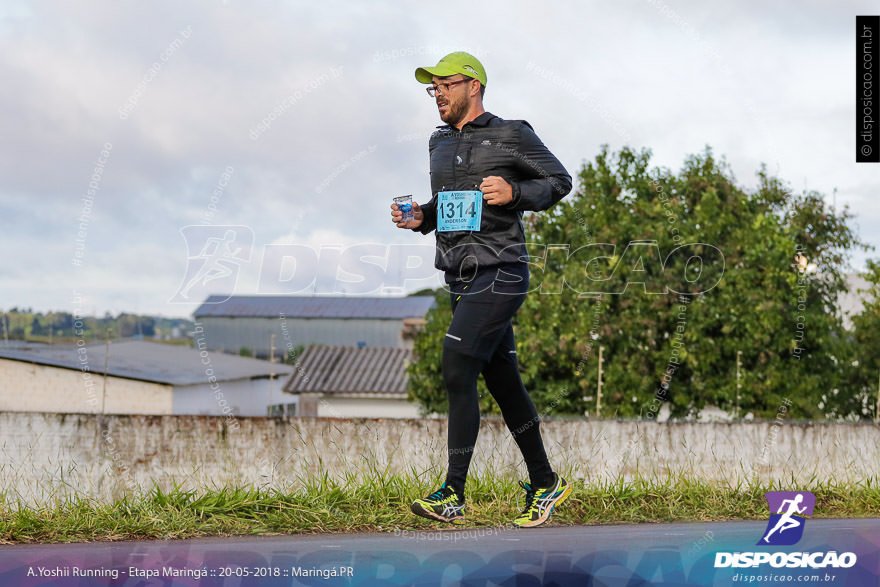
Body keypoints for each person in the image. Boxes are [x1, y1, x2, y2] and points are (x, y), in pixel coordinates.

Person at [390, 51, 573, 528]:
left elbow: (559, 180)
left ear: (473, 85)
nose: (438, 94)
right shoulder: (438, 144)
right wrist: (420, 219)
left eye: (445, 85)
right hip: (461, 275)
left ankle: (453, 491)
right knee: (502, 381)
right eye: (432, 88)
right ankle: (545, 480)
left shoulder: (511, 133)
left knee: (456, 364)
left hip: (503, 268)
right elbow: (446, 205)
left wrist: (517, 194)